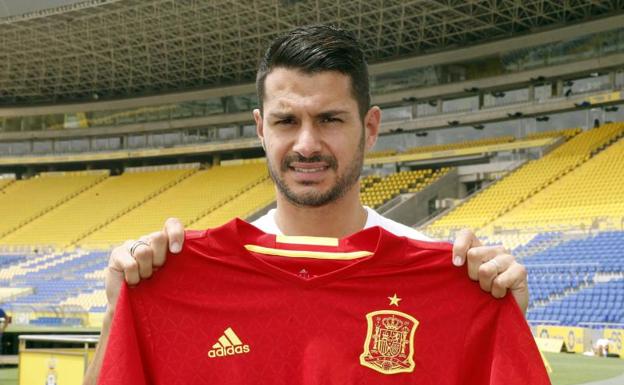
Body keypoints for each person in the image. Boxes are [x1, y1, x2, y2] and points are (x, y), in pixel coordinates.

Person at [84, 24, 530, 384]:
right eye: (286, 121)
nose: (307, 144)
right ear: (261, 128)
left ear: (370, 127)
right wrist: (117, 311)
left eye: (329, 119)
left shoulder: (453, 282)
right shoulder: (178, 276)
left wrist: (500, 316)